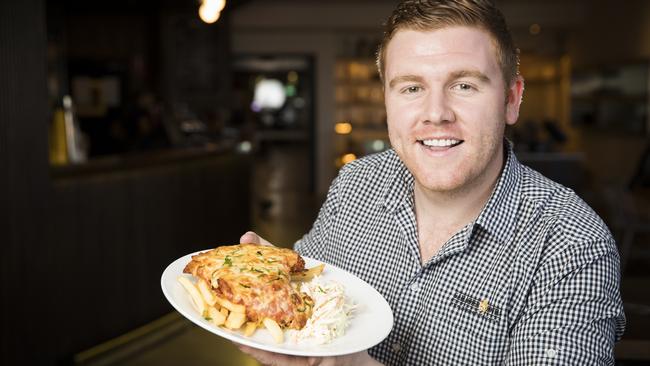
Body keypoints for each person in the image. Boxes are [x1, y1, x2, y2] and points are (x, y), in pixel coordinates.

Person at [238, 0, 626, 364]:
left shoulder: (573, 245)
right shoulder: (355, 183)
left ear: (511, 99)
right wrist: (271, 280)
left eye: (464, 86)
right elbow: (308, 286)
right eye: (411, 88)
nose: (436, 114)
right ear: (387, 100)